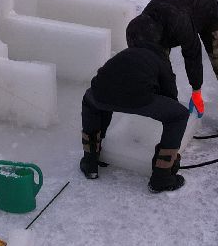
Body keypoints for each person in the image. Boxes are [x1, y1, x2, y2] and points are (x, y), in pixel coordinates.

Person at [126, 0, 218, 133]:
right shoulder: (136, 31)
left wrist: (196, 91)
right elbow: (154, 66)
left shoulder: (178, 23)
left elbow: (193, 54)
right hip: (176, 9)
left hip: (206, 7)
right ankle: (170, 111)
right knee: (161, 67)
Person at [78, 39, 190, 193]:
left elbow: (103, 77)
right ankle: (162, 177)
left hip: (101, 93)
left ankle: (90, 160)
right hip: (138, 98)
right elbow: (171, 95)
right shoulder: (161, 60)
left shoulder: (126, 53)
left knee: (91, 102)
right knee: (179, 115)